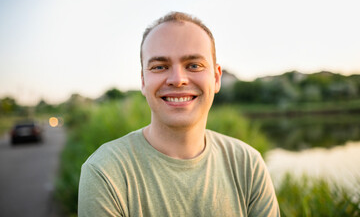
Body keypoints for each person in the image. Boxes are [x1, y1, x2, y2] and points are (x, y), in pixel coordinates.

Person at [78, 12, 280, 217]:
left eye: (194, 65)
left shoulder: (248, 164)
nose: (177, 79)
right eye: (159, 67)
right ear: (143, 81)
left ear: (216, 78)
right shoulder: (105, 172)